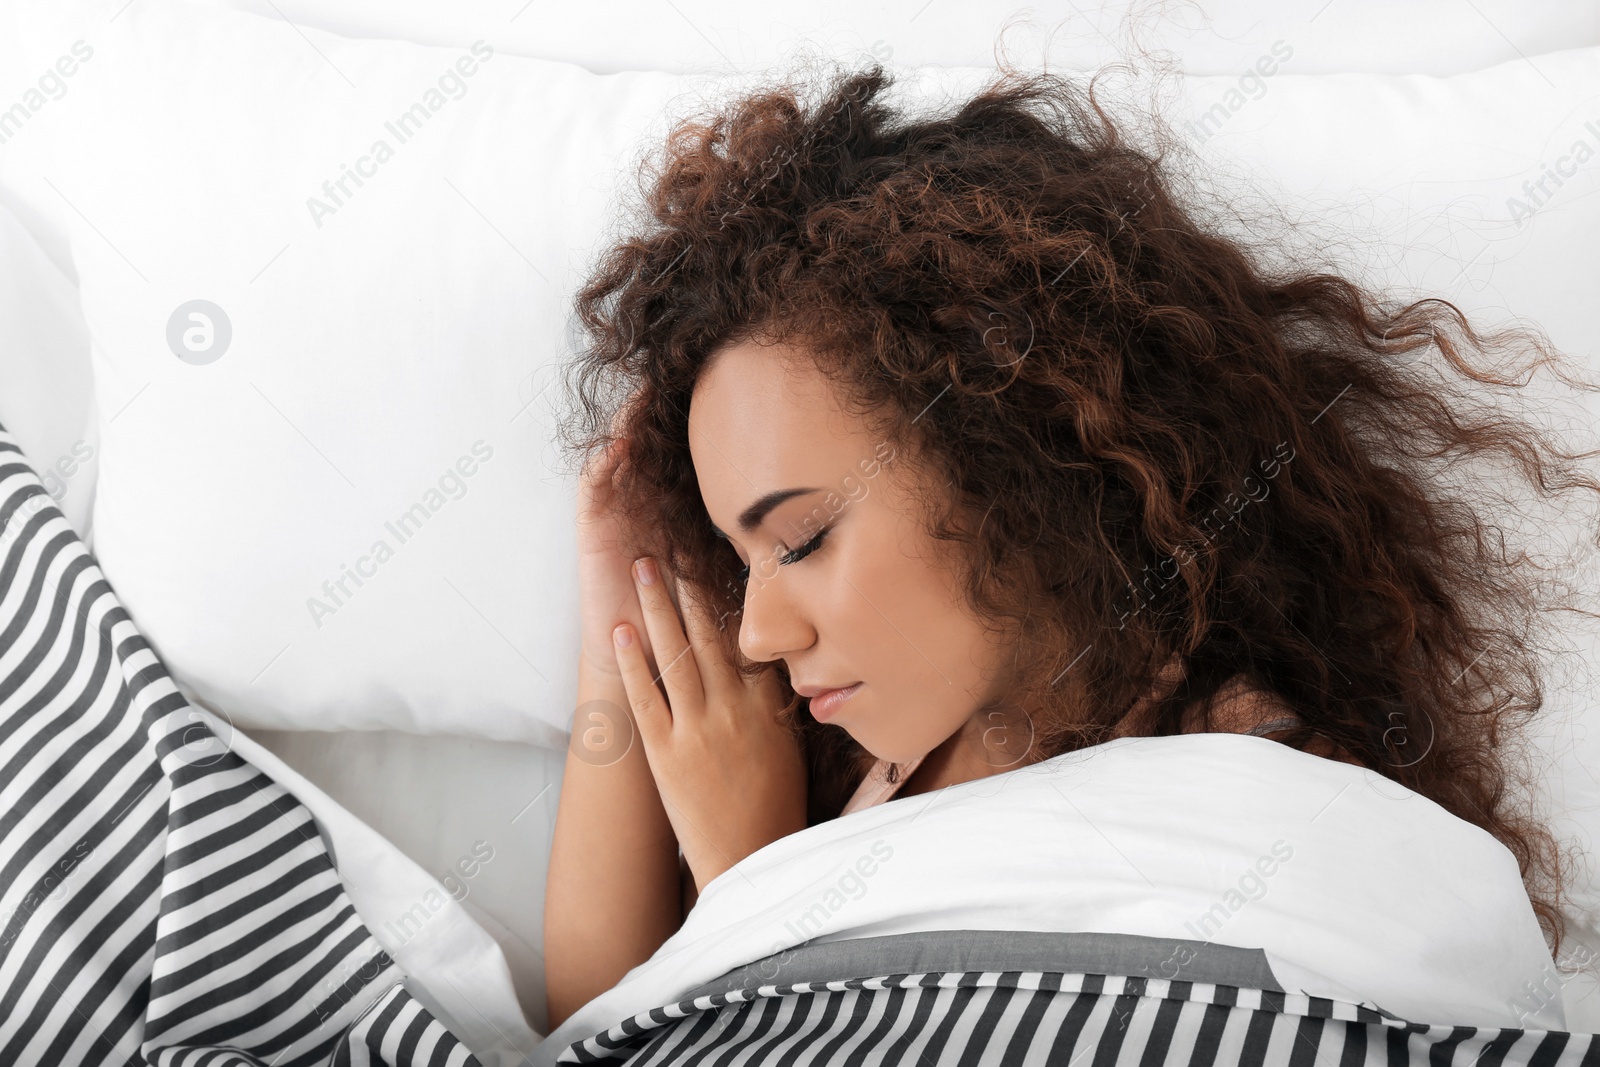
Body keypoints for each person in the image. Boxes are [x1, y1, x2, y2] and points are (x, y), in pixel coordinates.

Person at [542, 61, 1600, 1030]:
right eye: (744, 561)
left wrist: (751, 880)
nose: (762, 629)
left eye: (805, 537)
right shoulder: (862, 752)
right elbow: (600, 1019)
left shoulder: (1247, 765)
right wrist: (613, 614)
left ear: (1007, 457)